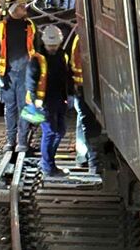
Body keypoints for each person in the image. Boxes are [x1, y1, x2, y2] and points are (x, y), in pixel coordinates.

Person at [0, 0, 39, 152]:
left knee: (25, 107)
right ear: (13, 7)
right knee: (10, 107)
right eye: (21, 5)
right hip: (7, 74)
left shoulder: (30, 26)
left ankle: (22, 142)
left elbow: (38, 51)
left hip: (26, 74)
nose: (25, 8)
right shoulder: (0, 28)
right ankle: (11, 141)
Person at [26, 25, 73, 178]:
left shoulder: (62, 55)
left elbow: (67, 76)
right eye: (50, 45)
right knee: (50, 132)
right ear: (44, 43)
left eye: (55, 45)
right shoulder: (37, 59)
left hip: (58, 99)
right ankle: (48, 166)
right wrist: (35, 101)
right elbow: (31, 82)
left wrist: (70, 94)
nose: (52, 48)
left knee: (60, 131)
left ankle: (47, 162)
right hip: (43, 102)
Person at [64, 27, 99, 174]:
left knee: (83, 121)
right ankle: (91, 162)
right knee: (87, 123)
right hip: (83, 88)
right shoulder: (81, 40)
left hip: (82, 88)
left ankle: (82, 157)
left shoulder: (78, 38)